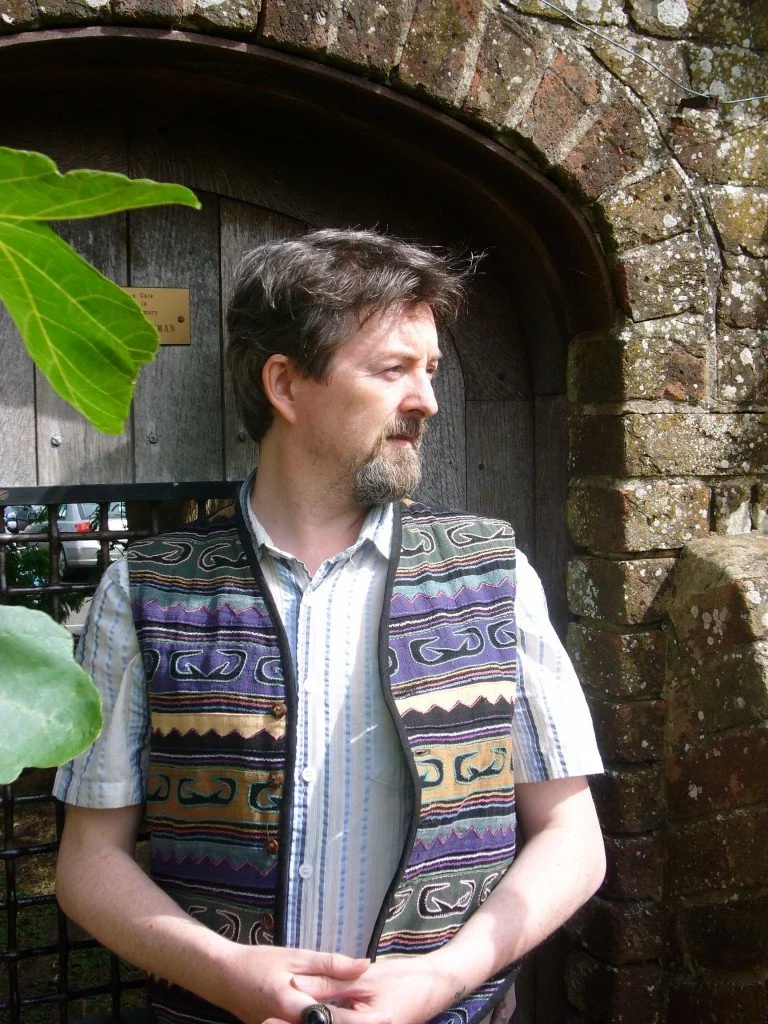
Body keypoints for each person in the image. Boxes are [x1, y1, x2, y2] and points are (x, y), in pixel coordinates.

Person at [55, 229, 605, 1024]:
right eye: (393, 370)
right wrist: (225, 973)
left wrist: (441, 980)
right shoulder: (145, 590)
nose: (428, 400)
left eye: (431, 370)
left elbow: (571, 836)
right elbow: (87, 862)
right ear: (285, 384)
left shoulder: (491, 578)